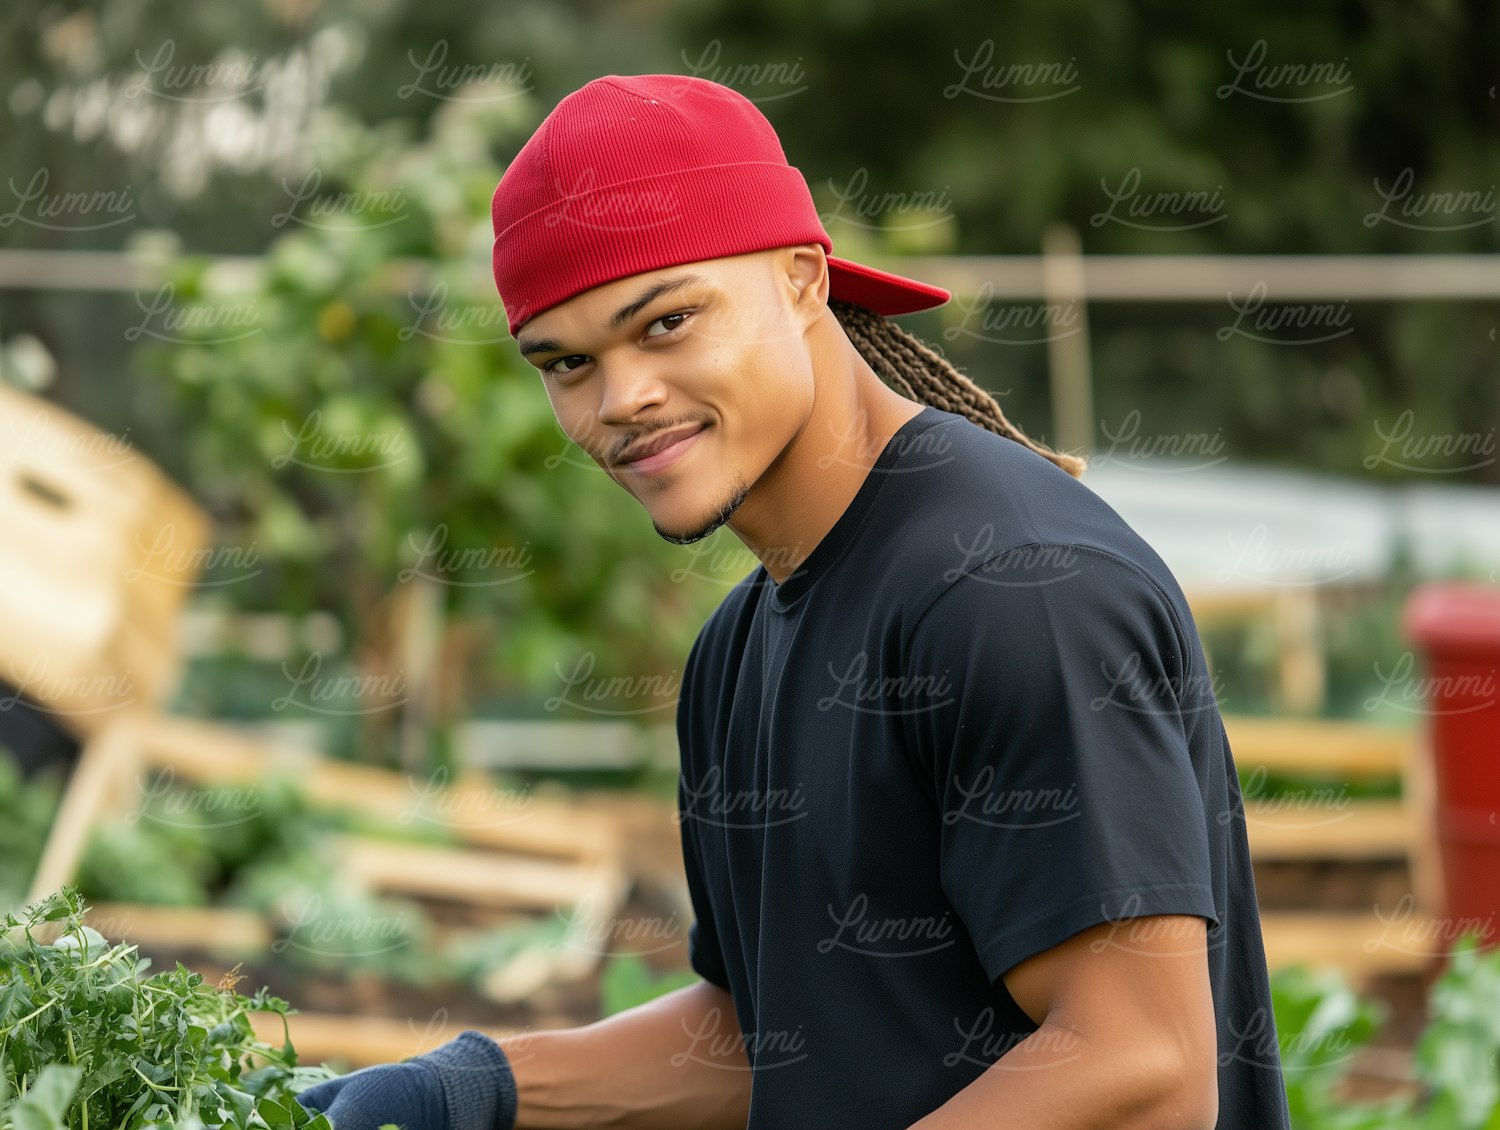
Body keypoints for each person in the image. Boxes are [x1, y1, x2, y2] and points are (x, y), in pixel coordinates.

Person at [298, 73, 1292, 1130]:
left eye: (668, 321)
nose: (620, 397)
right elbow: (770, 1035)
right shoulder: (736, 650)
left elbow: (1142, 1065)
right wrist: (477, 1086)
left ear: (804, 280)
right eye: (568, 362)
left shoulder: (1013, 589)